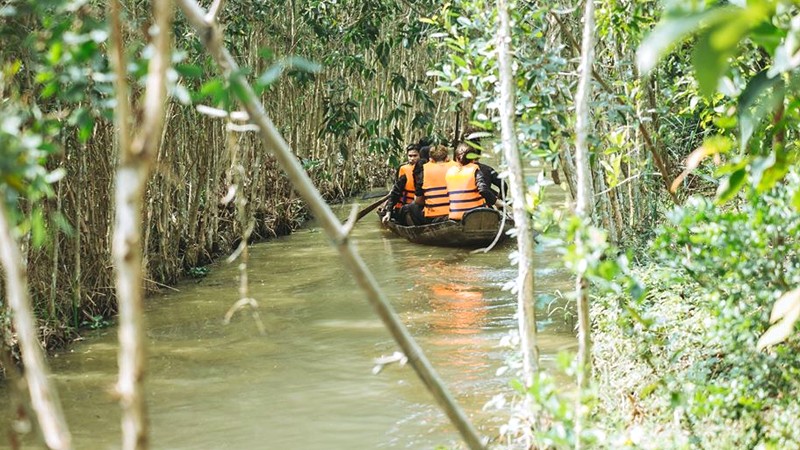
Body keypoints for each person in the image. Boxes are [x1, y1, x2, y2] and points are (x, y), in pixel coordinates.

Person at [445, 142, 503, 220]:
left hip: (455, 216)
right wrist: (497, 203)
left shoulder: (450, 172)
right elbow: (483, 190)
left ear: (456, 159)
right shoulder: (475, 171)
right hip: (475, 216)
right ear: (473, 159)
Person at [408, 144, 455, 225]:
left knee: (412, 206)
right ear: (447, 158)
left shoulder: (424, 170)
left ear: (431, 159)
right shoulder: (456, 167)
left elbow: (418, 200)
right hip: (455, 213)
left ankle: (421, 231)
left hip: (433, 217)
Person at [380, 143, 421, 225]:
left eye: (415, 156)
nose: (412, 158)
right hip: (403, 208)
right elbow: (396, 191)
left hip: (418, 208)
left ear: (420, 155)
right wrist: (389, 211)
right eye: (410, 156)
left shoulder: (424, 168)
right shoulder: (403, 169)